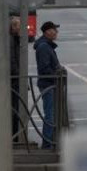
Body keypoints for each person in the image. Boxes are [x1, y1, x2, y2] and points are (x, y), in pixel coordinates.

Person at [34, 21, 61, 150]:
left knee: (51, 113)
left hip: (49, 83)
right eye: (54, 30)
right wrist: (57, 74)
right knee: (50, 114)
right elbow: (45, 68)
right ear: (47, 32)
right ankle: (47, 143)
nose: (56, 32)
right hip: (48, 84)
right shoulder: (44, 47)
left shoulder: (46, 45)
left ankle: (49, 141)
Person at [9, 16, 23, 143]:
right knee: (15, 108)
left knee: (16, 108)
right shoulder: (11, 40)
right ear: (13, 27)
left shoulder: (15, 39)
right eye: (19, 26)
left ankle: (16, 135)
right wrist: (19, 75)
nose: (21, 28)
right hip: (14, 80)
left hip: (16, 79)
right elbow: (13, 60)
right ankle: (15, 136)